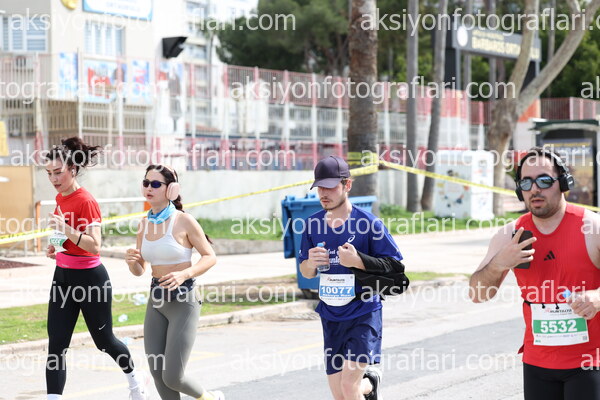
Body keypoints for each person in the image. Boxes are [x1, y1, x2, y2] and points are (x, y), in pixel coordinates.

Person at [469, 147, 600, 399]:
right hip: (537, 363)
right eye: (526, 182)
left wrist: (597, 297)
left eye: (544, 180)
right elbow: (477, 295)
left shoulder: (591, 227)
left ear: (563, 183)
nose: (534, 189)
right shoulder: (510, 235)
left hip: (590, 361)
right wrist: (498, 264)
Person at [44, 137, 148, 400]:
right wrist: (56, 244)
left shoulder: (86, 201)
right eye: (49, 173)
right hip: (62, 277)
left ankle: (135, 381)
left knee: (104, 342)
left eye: (58, 172)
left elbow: (94, 245)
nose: (53, 179)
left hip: (90, 280)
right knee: (56, 344)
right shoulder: (60, 198)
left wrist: (66, 229)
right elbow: (68, 236)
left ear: (73, 169)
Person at [299, 155, 404, 400]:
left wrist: (358, 261)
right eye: (320, 187)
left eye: (330, 187)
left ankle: (365, 383)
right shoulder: (312, 225)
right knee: (340, 394)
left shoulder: (369, 224)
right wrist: (310, 263)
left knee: (348, 387)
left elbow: (395, 268)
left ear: (347, 185)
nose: (324, 193)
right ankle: (370, 384)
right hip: (330, 314)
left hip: (363, 311)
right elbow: (305, 272)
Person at [125, 164, 224, 400]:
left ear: (171, 189)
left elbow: (210, 257)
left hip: (183, 300)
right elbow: (140, 270)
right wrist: (132, 263)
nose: (149, 188)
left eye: (155, 184)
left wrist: (184, 274)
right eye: (146, 183)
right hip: (157, 300)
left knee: (173, 377)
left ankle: (211, 398)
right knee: (157, 374)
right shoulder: (143, 224)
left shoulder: (184, 221)